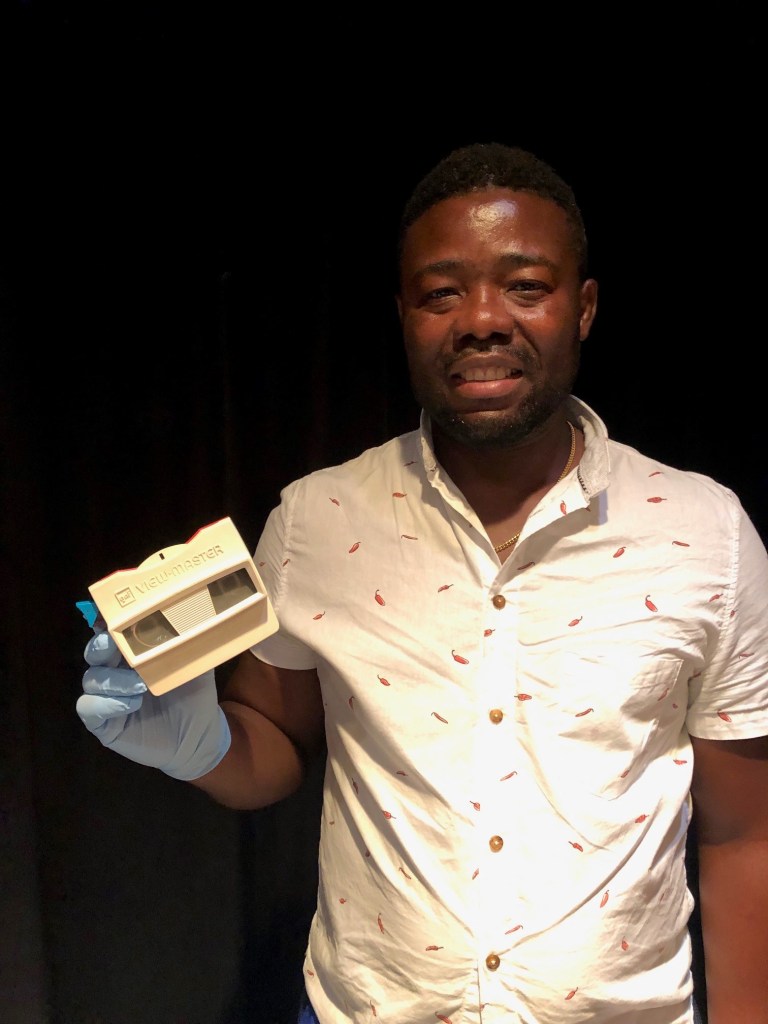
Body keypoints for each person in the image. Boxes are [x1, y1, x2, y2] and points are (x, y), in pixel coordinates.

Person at [77, 142, 768, 1024]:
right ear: (403, 314)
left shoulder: (706, 531)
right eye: (442, 293)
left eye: (526, 286)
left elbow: (745, 832)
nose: (482, 319)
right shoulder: (316, 521)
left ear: (584, 307)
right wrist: (194, 744)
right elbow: (277, 746)